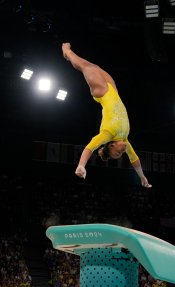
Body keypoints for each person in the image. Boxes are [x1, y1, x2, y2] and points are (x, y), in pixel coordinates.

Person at [62, 43, 152, 188]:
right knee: (94, 66)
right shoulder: (125, 141)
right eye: (121, 154)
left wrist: (81, 166)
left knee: (86, 67)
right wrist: (142, 177)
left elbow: (89, 148)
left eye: (117, 153)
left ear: (112, 145)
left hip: (102, 92)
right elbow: (135, 159)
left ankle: (67, 52)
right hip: (113, 90)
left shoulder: (107, 134)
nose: (121, 151)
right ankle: (69, 55)